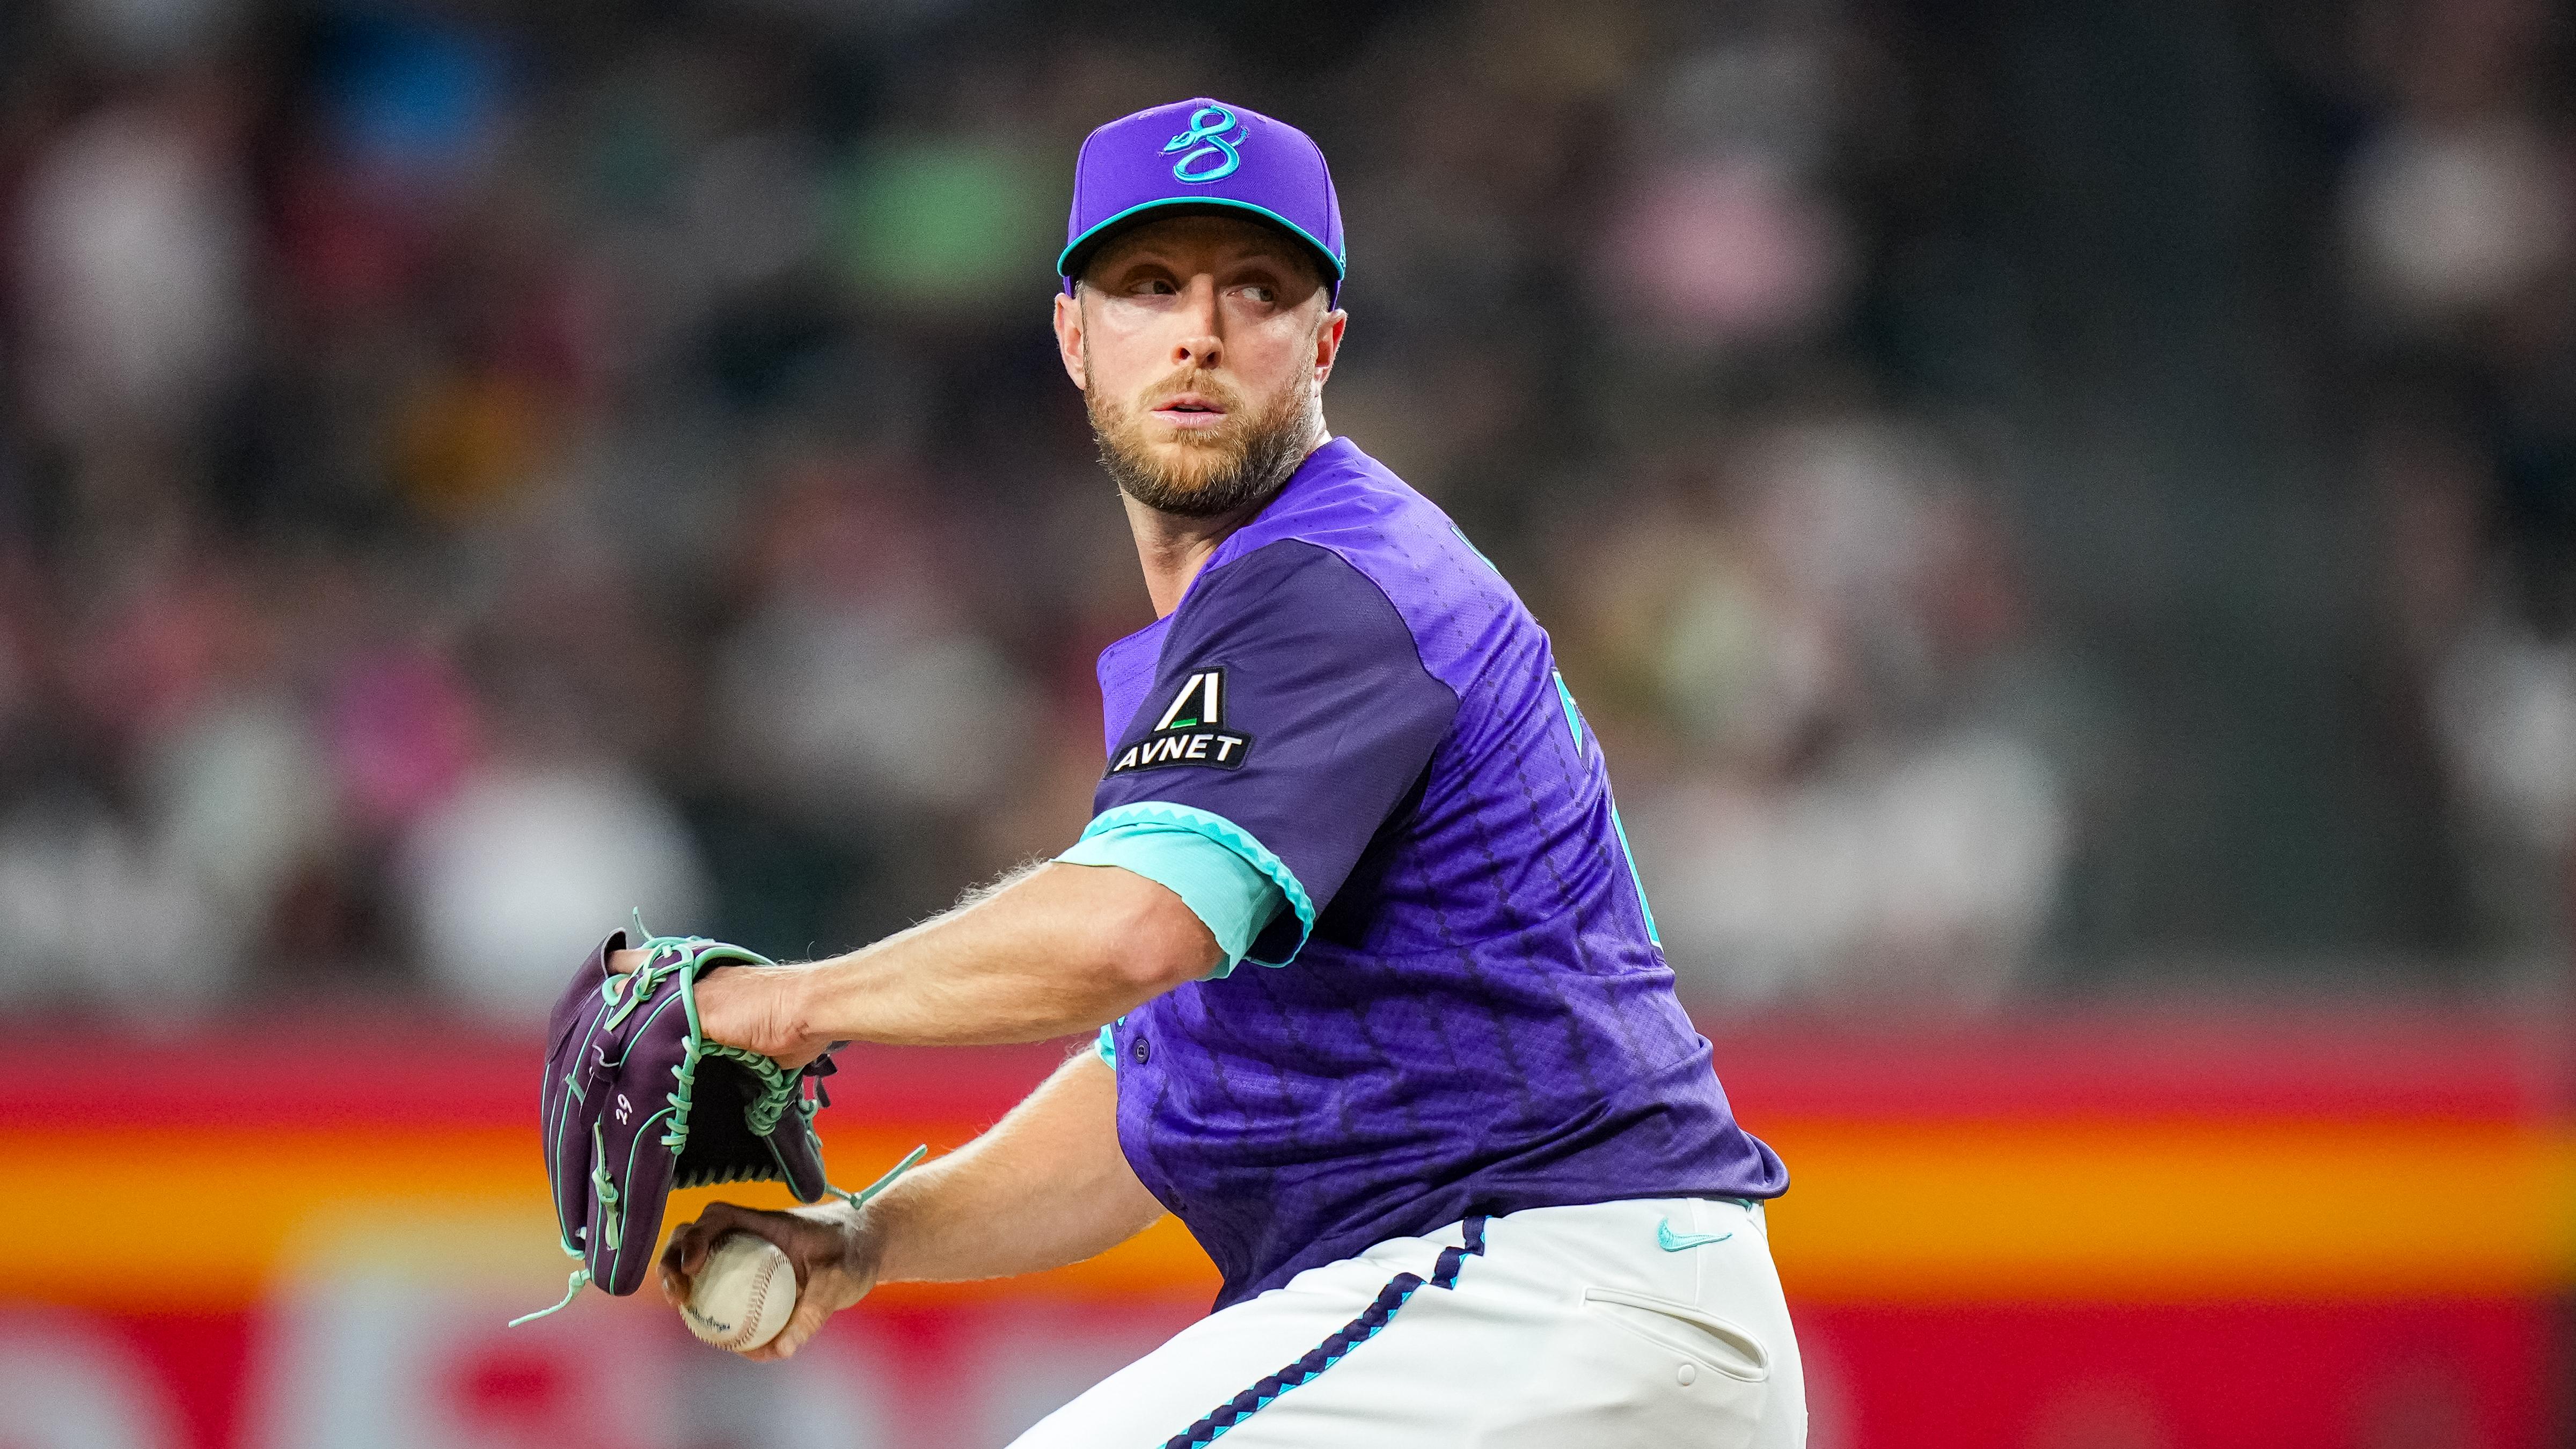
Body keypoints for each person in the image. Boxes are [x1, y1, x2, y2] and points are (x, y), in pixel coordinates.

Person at [648, 97, 1804, 1448]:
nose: (1199, 329)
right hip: (1590, 1330)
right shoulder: (1253, 623)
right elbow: (1161, 1088)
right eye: (1150, 285)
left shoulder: (1330, 583)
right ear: (1076, 335)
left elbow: (1130, 932)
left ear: (1324, 343)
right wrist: (867, 1238)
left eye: (1255, 288)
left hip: (1541, 1295)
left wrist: (782, 1006)